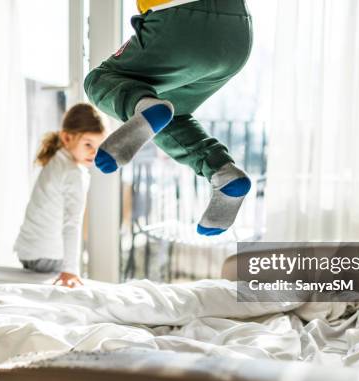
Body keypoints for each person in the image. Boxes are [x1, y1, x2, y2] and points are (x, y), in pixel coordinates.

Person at [84, 0, 253, 236]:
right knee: (171, 113)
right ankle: (222, 172)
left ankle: (142, 106)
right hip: (238, 34)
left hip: (179, 19)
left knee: (100, 80)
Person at [14, 103, 105, 288]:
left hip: (27, 253)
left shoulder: (57, 158)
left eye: (99, 146)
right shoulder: (73, 173)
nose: (94, 152)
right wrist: (70, 270)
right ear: (66, 137)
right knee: (82, 271)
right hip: (45, 258)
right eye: (88, 144)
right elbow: (72, 223)